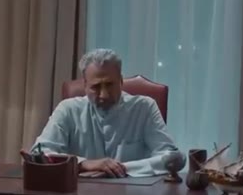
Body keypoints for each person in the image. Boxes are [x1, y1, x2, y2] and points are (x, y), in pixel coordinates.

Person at [33, 48, 182, 178]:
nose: (104, 95)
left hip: (133, 194)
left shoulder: (144, 107)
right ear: (85, 85)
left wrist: (121, 168)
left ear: (121, 81)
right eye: (96, 87)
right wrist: (83, 164)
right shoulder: (68, 109)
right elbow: (39, 154)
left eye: (110, 85)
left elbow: (173, 158)